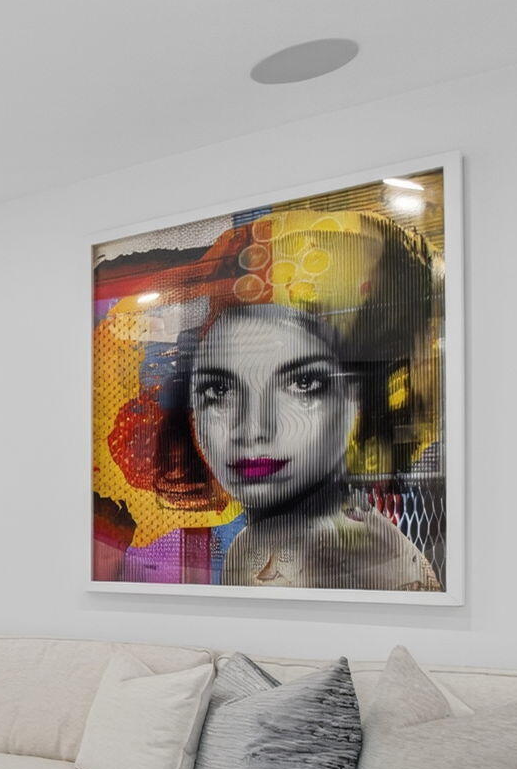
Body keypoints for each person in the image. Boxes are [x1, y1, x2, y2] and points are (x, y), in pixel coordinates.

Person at [153, 213, 441, 591]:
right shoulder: (252, 547)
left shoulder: (344, 556)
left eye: (302, 384)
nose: (253, 428)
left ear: (354, 402)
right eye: (219, 389)